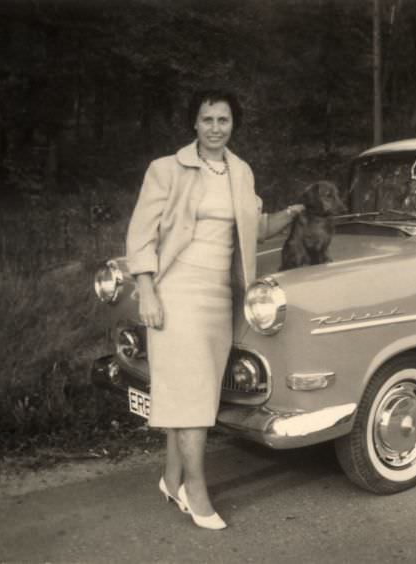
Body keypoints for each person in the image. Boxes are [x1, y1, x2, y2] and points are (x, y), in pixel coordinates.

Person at [125, 89, 303, 530]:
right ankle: (196, 490)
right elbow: (139, 236)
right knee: (191, 394)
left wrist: (291, 215)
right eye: (207, 120)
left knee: (197, 392)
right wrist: (146, 291)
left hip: (219, 296)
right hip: (177, 290)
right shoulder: (166, 170)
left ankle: (171, 478)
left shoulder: (240, 172)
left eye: (223, 120)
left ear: (233, 125)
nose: (215, 128)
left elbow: (252, 228)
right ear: (194, 124)